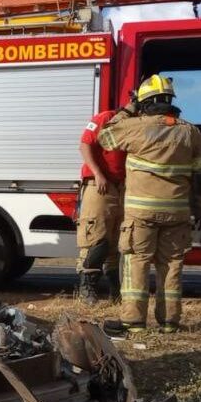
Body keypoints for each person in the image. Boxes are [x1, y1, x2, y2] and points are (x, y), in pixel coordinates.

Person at [99, 75, 201, 333]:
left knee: (136, 262)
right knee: (171, 265)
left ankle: (133, 321)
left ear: (144, 103)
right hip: (177, 212)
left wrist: (129, 108)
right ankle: (170, 322)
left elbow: (104, 136)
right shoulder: (191, 132)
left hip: (141, 213)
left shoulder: (136, 127)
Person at [76, 105, 127, 304]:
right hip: (100, 185)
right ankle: (87, 289)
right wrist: (98, 173)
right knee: (96, 239)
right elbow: (85, 145)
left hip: (121, 186)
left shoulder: (135, 125)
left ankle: (116, 290)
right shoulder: (105, 118)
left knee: (116, 241)